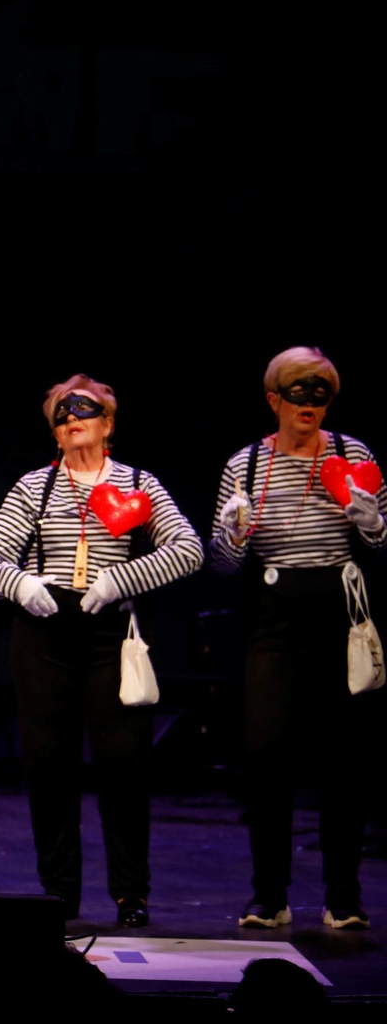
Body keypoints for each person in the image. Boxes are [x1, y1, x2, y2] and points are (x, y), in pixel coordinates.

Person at [0, 374, 203, 926]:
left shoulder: (138, 483)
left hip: (109, 633)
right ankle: (60, 891)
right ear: (54, 432)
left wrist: (122, 578)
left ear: (109, 423)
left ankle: (130, 892)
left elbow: (188, 548)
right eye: (61, 414)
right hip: (45, 630)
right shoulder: (35, 487)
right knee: (49, 764)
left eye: (84, 410)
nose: (72, 418)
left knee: (122, 763)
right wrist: (20, 584)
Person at [209, 347, 383, 932]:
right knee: (267, 757)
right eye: (298, 391)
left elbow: (383, 542)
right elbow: (223, 562)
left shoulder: (353, 454)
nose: (310, 403)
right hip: (274, 617)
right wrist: (235, 535)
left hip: (339, 611)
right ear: (274, 398)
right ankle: (269, 895)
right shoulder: (246, 465)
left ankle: (344, 896)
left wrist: (370, 521)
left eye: (321, 392)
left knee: (344, 759)